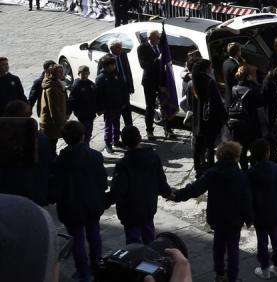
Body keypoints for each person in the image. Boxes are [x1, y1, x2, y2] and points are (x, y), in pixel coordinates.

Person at [172, 141, 254, 282]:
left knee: (218, 246)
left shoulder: (212, 173)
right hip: (234, 219)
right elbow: (246, 199)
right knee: (233, 249)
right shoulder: (240, 176)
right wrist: (249, 218)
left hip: (217, 217)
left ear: (219, 156)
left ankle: (220, 273)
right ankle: (232, 277)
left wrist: (177, 195)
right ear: (236, 157)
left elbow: (195, 189)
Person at [50, 120, 107, 282]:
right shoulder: (96, 156)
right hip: (92, 204)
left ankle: (83, 272)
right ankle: (97, 265)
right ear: (83, 136)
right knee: (94, 235)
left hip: (71, 207)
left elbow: (56, 189)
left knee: (77, 240)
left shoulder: (60, 162)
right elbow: (102, 182)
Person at [106, 126, 171, 245]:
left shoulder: (123, 164)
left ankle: (136, 262)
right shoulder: (153, 157)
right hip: (148, 206)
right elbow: (161, 180)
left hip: (129, 211)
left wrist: (105, 202)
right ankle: (151, 260)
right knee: (150, 238)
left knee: (133, 243)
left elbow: (117, 190)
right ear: (140, 138)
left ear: (124, 142)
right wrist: (168, 193)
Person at [247, 139, 277, 280]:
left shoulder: (251, 173)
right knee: (276, 240)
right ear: (268, 153)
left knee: (262, 242)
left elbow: (248, 197)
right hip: (276, 212)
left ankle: (264, 269)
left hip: (260, 214)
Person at [0, 100, 55, 205]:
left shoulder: (40, 139)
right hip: (31, 196)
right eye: (28, 115)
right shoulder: (40, 139)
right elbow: (47, 167)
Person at [190, 58, 226, 176]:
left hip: (197, 119)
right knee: (210, 145)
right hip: (209, 119)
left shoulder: (192, 82)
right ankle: (210, 167)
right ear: (206, 69)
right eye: (210, 67)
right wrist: (224, 116)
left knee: (198, 143)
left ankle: (197, 167)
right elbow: (217, 103)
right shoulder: (210, 82)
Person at [228, 65, 266, 170]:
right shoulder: (254, 88)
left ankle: (244, 169)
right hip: (251, 123)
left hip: (238, 123)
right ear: (249, 75)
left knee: (242, 150)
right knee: (254, 149)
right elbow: (260, 107)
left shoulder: (234, 88)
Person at [138, 29, 172, 140]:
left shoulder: (161, 46)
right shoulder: (142, 48)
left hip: (161, 80)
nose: (158, 39)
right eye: (156, 37)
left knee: (165, 105)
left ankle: (168, 129)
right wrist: (157, 60)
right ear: (150, 38)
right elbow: (144, 65)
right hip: (150, 82)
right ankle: (149, 131)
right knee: (150, 106)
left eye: (158, 37)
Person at [95, 56, 130, 154]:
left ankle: (116, 140)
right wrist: (100, 108)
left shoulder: (117, 74)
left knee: (117, 123)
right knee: (108, 126)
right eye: (112, 65)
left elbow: (123, 88)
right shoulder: (101, 78)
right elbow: (98, 95)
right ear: (106, 66)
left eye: (114, 65)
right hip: (107, 107)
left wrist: (124, 101)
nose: (114, 66)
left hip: (118, 105)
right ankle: (108, 143)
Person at [39, 63, 68, 154]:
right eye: (59, 72)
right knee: (51, 145)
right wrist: (61, 125)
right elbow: (54, 109)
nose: (62, 73)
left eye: (62, 71)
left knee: (52, 145)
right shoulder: (52, 87)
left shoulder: (57, 83)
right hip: (51, 123)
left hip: (53, 122)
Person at [68, 65, 98, 145]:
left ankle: (86, 146)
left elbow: (96, 97)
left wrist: (97, 109)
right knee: (84, 133)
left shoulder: (91, 84)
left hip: (91, 113)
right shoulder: (76, 85)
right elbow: (72, 100)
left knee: (89, 132)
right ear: (79, 74)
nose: (84, 75)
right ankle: (84, 147)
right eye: (82, 73)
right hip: (82, 115)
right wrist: (72, 112)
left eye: (86, 73)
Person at [108, 41, 135, 130]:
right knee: (116, 116)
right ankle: (116, 136)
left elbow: (128, 71)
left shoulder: (123, 55)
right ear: (112, 49)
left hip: (125, 89)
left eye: (121, 47)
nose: (121, 49)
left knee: (127, 112)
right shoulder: (106, 59)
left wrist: (131, 86)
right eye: (118, 48)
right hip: (115, 92)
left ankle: (130, 131)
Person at [222, 42, 244, 107]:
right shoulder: (234, 66)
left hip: (228, 97)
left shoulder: (225, 63)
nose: (241, 52)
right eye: (240, 50)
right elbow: (239, 82)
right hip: (234, 100)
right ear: (237, 52)